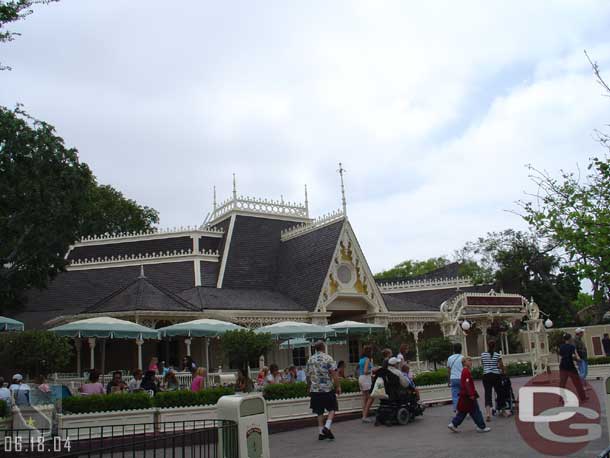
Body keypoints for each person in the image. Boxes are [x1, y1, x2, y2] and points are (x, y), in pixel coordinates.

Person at [306, 340, 341, 441]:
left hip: (315, 389)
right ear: (323, 347)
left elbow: (308, 376)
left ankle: (321, 433)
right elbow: (334, 374)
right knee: (332, 408)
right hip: (327, 389)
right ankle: (327, 427)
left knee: (319, 411)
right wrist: (338, 386)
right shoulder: (328, 358)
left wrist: (308, 387)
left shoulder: (310, 359)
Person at [448, 356, 490, 433]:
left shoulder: (465, 371)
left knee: (464, 411)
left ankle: (454, 423)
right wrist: (471, 394)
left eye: (471, 360)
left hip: (465, 395)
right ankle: (481, 426)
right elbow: (467, 384)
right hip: (468, 395)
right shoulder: (466, 371)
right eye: (469, 360)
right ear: (464, 362)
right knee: (475, 411)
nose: (471, 362)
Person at [481, 340, 504, 421]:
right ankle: (502, 410)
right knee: (499, 392)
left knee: (487, 394)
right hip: (495, 375)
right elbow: (501, 365)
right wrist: (501, 371)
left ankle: (488, 413)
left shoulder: (483, 355)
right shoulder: (497, 355)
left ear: (487, 346)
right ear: (494, 346)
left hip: (486, 375)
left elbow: (483, 365)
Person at [559, 333, 586, 401]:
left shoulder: (561, 347)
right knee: (577, 383)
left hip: (563, 367)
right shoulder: (572, 347)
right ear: (570, 339)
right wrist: (579, 360)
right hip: (571, 367)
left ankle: (561, 398)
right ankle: (582, 397)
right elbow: (576, 356)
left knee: (562, 384)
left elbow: (561, 356)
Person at [358, 346, 374, 423]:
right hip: (366, 378)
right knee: (370, 397)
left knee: (364, 398)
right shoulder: (367, 359)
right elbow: (365, 371)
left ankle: (363, 415)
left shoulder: (361, 359)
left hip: (361, 378)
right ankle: (365, 416)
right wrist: (372, 370)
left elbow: (360, 370)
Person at [447, 343, 463, 412]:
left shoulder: (450, 358)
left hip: (453, 378)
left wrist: (448, 381)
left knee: (455, 395)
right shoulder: (463, 358)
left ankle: (456, 409)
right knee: (463, 395)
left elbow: (448, 371)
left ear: (454, 350)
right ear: (461, 349)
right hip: (462, 378)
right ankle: (464, 408)